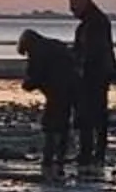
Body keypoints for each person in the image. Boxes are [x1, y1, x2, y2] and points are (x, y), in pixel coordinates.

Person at [18, 27, 79, 173]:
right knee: (63, 123)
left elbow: (35, 75)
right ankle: (59, 158)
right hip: (73, 85)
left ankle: (49, 158)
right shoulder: (54, 45)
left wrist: (27, 84)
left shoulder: (38, 52)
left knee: (50, 125)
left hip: (57, 89)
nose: (27, 55)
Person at [70, 0, 116, 167]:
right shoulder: (91, 22)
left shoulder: (95, 22)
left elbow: (93, 50)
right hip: (97, 72)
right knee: (94, 114)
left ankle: (91, 153)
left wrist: (80, 66)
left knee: (91, 114)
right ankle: (91, 152)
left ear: (83, 3)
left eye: (74, 6)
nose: (71, 10)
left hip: (95, 74)